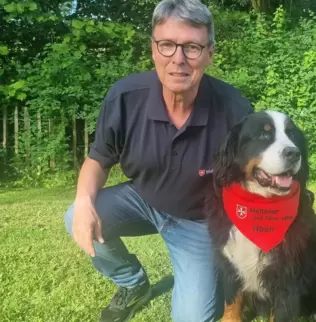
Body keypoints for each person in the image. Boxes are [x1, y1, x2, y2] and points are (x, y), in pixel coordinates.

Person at [63, 0, 253, 321]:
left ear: (210, 53)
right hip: (142, 200)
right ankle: (133, 283)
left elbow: (248, 188)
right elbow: (99, 159)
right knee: (75, 215)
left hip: (198, 222)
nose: (178, 59)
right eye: (167, 45)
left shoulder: (235, 111)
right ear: (153, 49)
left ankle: (202, 278)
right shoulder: (125, 97)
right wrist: (83, 201)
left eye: (192, 47)